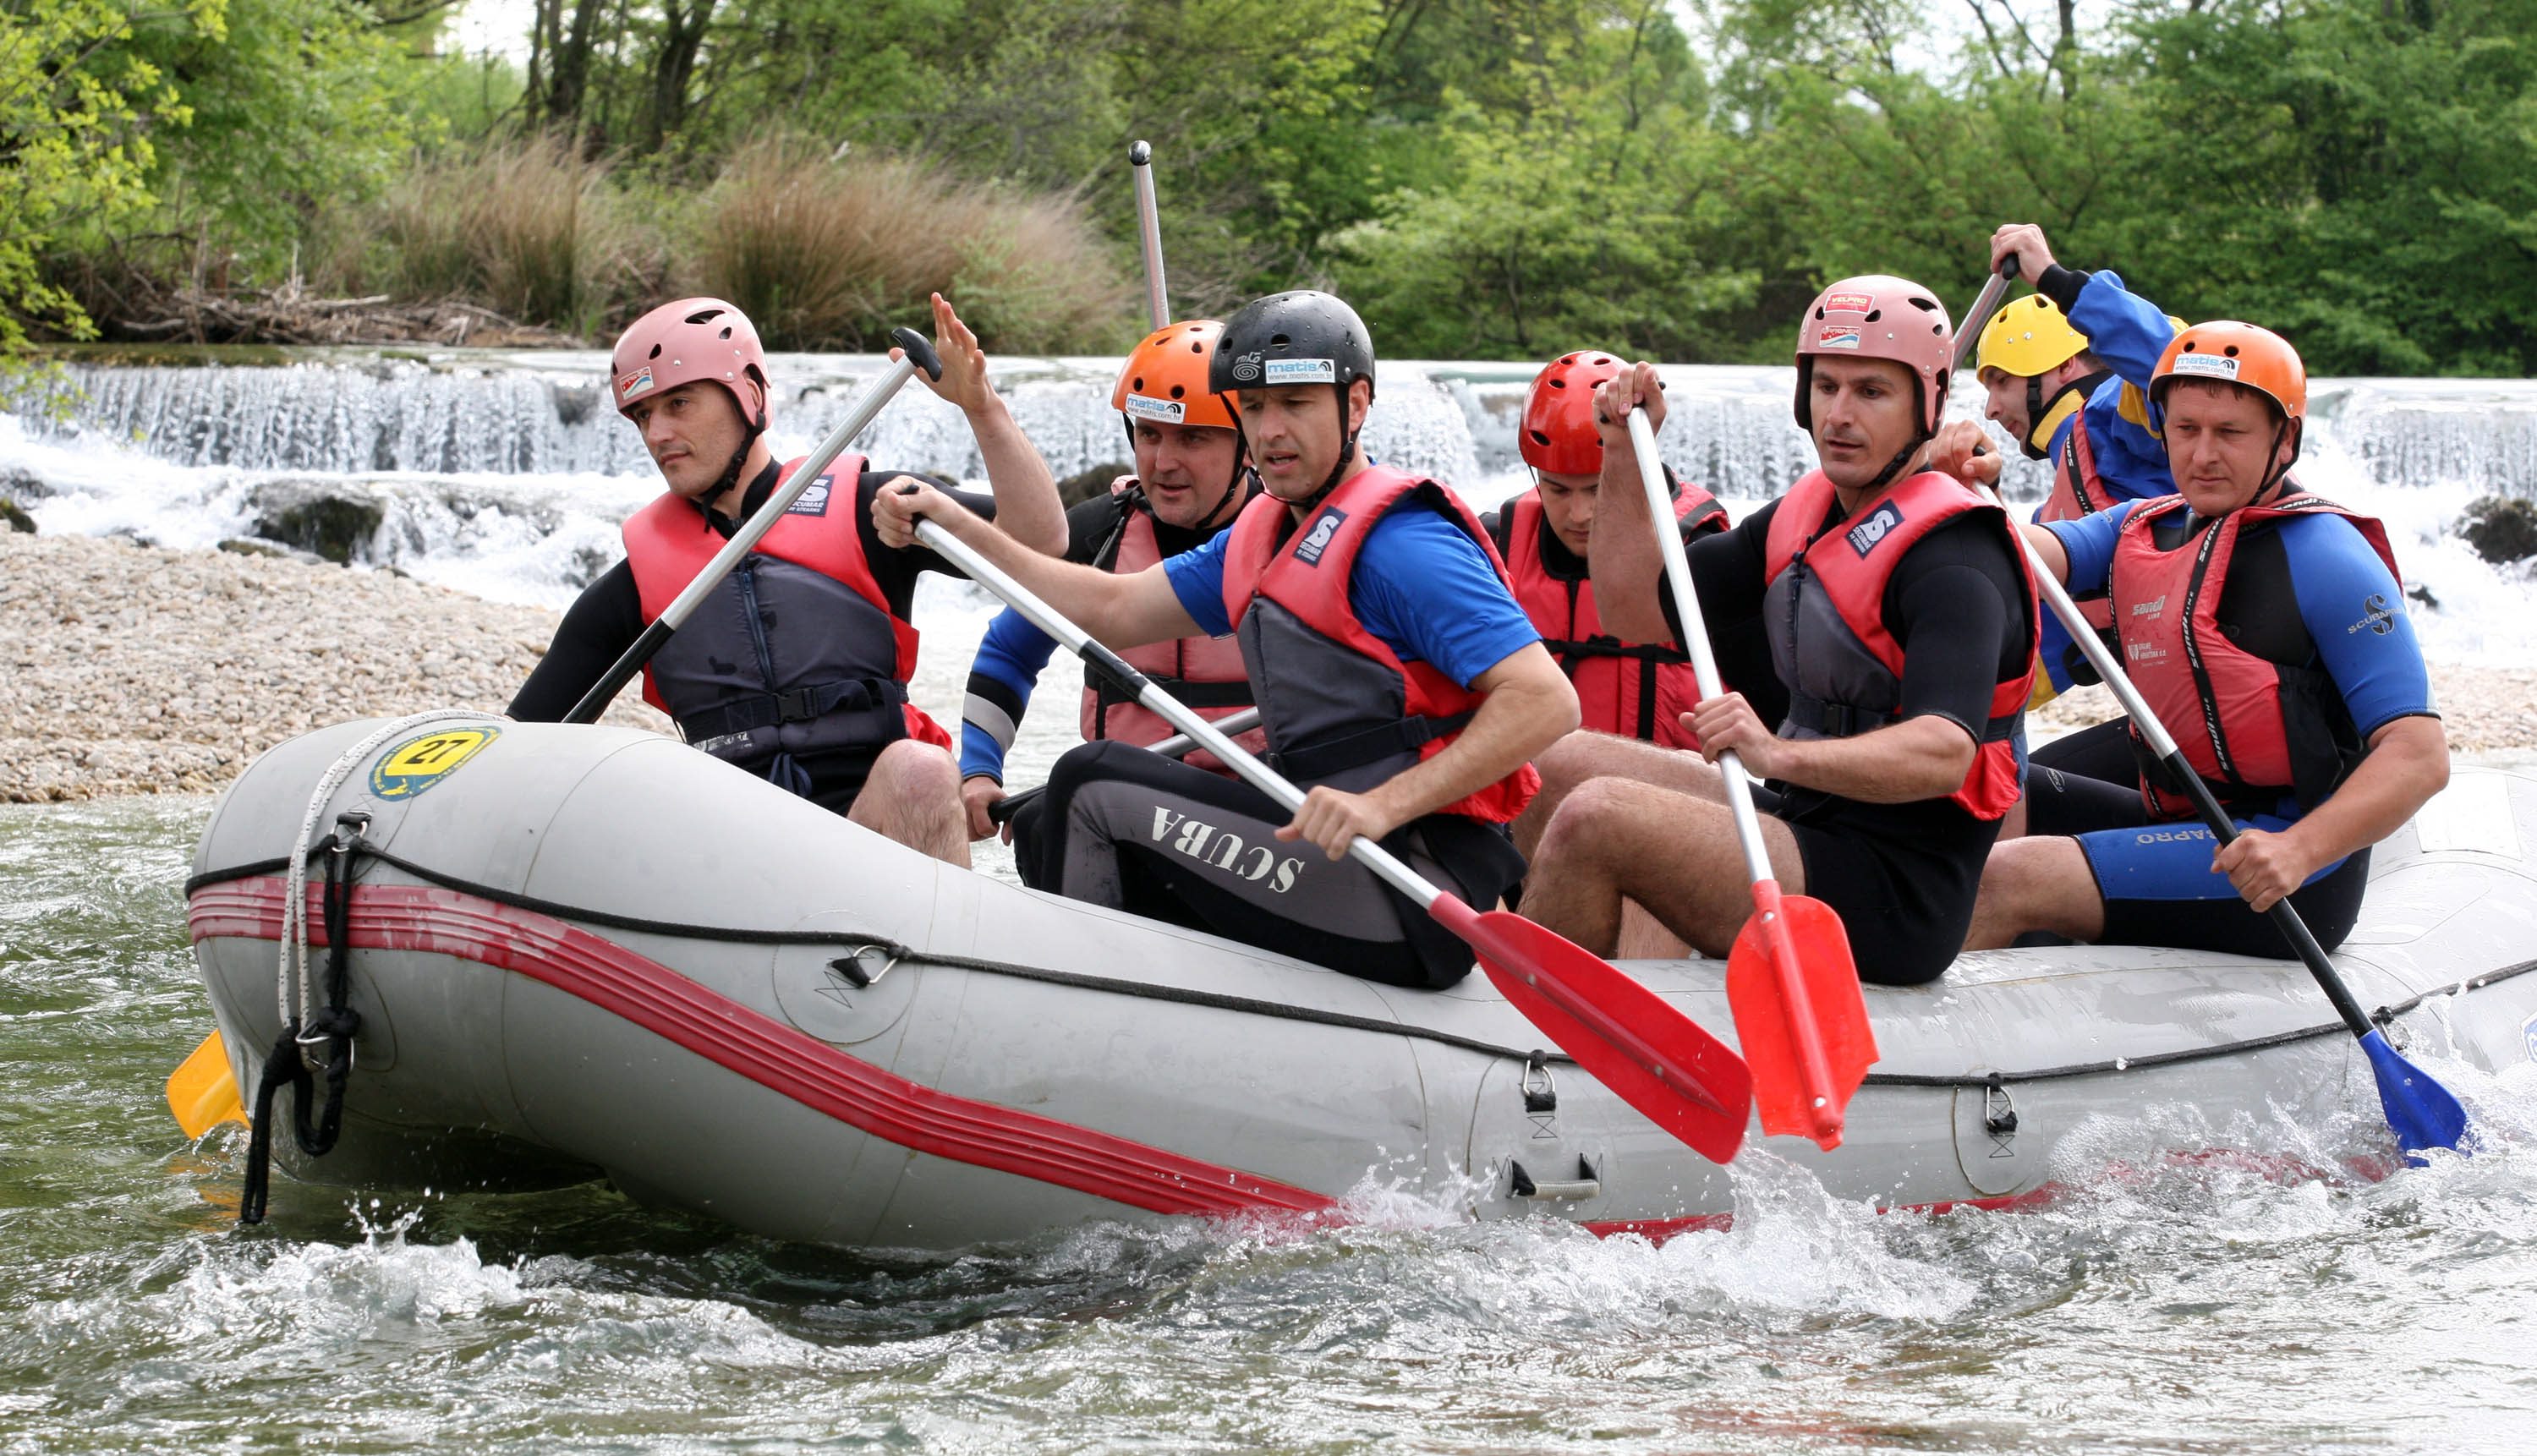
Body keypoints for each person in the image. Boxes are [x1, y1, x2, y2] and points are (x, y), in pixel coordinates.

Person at [874, 290, 1578, 988]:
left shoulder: (1405, 543)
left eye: (1295, 404)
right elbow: (1112, 608)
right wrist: (955, 523)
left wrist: (1382, 805)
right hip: (1322, 859)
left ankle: (1079, 1019)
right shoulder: (1268, 531)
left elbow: (1547, 701)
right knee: (1052, 811)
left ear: (1356, 404)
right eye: (1253, 407)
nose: (1270, 430)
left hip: (1411, 883)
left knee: (1090, 781)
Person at [1519, 276, 2037, 987]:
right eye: (1826, 387)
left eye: (1871, 392)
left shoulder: (1958, 557)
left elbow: (1946, 752)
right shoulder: (1808, 512)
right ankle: (1557, 994)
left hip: (1892, 894)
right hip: (1804, 823)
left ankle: (1528, 1040)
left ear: (1929, 401)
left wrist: (1772, 753)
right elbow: (1633, 608)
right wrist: (1621, 452)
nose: (1840, 416)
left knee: (1597, 817)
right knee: (1550, 762)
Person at [508, 293, 1066, 866]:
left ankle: (936, 948)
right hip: (730, 859)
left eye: (679, 403)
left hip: (874, 836)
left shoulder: (872, 511)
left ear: (749, 395)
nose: (658, 433)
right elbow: (519, 745)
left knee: (922, 770)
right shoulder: (636, 586)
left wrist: (983, 408)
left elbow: (1038, 543)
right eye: (644, 415)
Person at [1956, 323, 2449, 956]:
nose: (2202, 455)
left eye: (2230, 433)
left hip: (2289, 867)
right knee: (1992, 792)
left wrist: (2298, 850)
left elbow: (2420, 755)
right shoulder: (2143, 525)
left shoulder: (2330, 556)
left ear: (2285, 438)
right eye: (2186, 430)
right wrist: (1959, 488)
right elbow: (2024, 554)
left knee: (2013, 876)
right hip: (2187, 822)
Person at [956, 320, 1264, 847]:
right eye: (1149, 434)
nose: (1164, 463)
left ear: (1249, 446)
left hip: (1261, 812)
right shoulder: (1099, 533)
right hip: (1131, 804)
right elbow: (1009, 652)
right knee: (1039, 823)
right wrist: (979, 772)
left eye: (1192, 437)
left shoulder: (1295, 542)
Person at [1936, 222, 2184, 798]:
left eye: (2000, 381)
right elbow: (2033, 625)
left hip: (2228, 711)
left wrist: (2054, 280)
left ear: (2066, 368)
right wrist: (1980, 494)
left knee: (2031, 795)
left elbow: (2174, 363)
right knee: (2022, 781)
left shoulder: (2109, 411)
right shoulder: (2072, 482)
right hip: (2186, 709)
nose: (1992, 409)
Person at [1485, 350, 1726, 753]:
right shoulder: (1495, 544)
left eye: (1596, 488)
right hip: (1536, 801)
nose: (1579, 515)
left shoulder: (1703, 551)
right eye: (1558, 489)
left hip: (1664, 797)